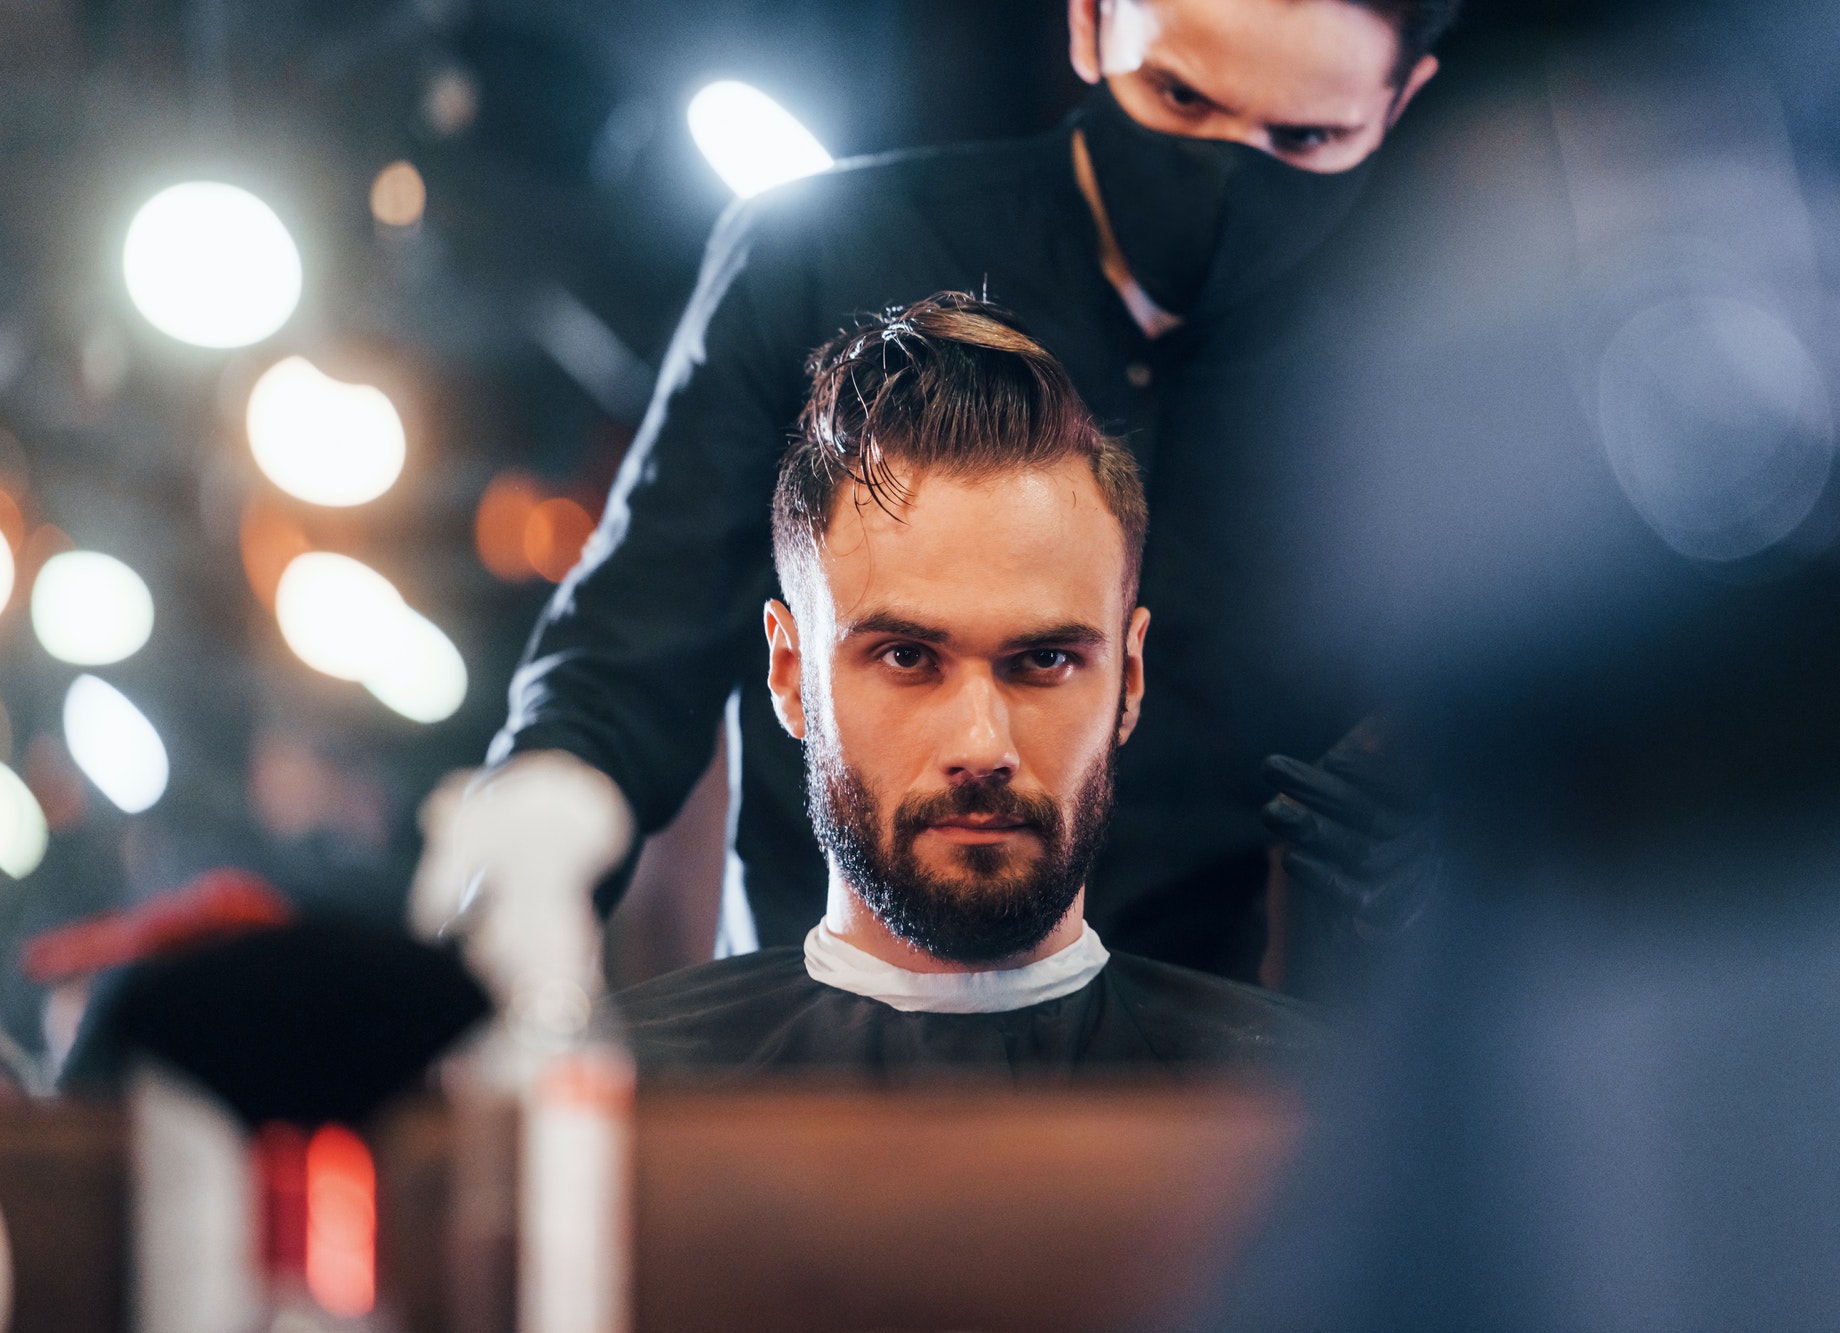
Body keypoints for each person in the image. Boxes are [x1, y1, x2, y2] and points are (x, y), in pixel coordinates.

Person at [416, 0, 1459, 998]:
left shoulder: (1411, 375)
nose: (1227, 177)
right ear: (1090, 20)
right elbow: (635, 639)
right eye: (1181, 100)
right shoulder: (820, 253)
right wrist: (543, 826)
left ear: (1400, 96)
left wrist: (1454, 835)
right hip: (812, 1068)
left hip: (1175, 1097)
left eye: (1306, 137)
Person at [617, 296, 1320, 1075]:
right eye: (908, 657)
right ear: (790, 674)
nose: (981, 746)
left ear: (1131, 677)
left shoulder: (1308, 1112)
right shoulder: (614, 1110)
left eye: (1045, 659)